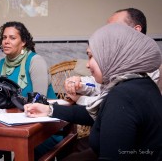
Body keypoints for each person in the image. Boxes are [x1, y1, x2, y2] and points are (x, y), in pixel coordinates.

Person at [25, 23, 162, 160]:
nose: (87, 64)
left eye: (91, 56)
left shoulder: (123, 96)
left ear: (111, 56)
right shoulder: (141, 83)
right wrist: (49, 110)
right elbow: (99, 114)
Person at [0, 21, 58, 161]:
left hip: (44, 127)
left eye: (12, 38)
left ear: (23, 42)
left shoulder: (35, 61)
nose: (6, 42)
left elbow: (40, 103)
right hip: (15, 123)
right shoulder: (2, 63)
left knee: (20, 154)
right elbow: (3, 97)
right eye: (4, 38)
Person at [65, 8, 160, 105]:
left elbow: (110, 101)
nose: (108, 33)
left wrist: (80, 99)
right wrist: (79, 83)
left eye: (115, 27)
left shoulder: (147, 66)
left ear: (136, 30)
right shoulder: (118, 59)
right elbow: (99, 85)